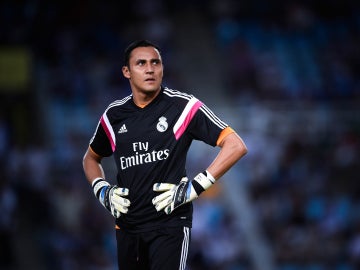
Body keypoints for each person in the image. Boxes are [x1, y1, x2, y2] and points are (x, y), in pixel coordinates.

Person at [82, 39, 247, 270]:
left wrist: (195, 187)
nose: (150, 69)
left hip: (169, 223)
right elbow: (91, 158)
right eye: (141, 63)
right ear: (126, 72)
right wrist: (101, 190)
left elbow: (235, 145)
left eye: (155, 63)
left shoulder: (184, 107)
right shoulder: (114, 115)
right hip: (128, 226)